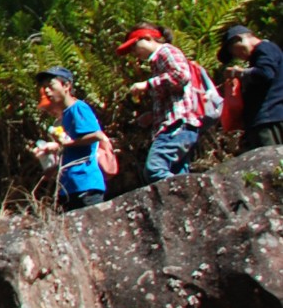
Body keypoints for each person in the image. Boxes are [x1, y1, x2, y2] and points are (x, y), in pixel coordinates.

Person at [116, 24, 207, 181]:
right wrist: (152, 115)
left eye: (134, 46)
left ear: (148, 38)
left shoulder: (165, 51)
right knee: (179, 176)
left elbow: (181, 75)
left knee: (155, 169)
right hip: (177, 123)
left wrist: (147, 84)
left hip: (177, 124)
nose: (134, 53)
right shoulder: (157, 60)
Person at [32, 67, 109, 209]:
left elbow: (97, 135)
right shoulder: (64, 116)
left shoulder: (78, 108)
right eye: (44, 87)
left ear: (66, 86)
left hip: (86, 184)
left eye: (51, 85)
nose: (47, 91)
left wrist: (68, 143)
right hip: (69, 186)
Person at [222, 24, 283, 153]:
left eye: (234, 51)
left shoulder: (265, 48)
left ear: (240, 39)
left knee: (271, 162)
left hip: (269, 119)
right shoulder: (258, 57)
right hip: (266, 119)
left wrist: (237, 72)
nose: (237, 56)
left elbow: (265, 73)